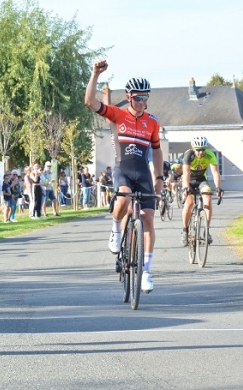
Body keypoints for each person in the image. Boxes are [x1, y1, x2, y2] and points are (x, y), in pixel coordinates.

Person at [84, 59, 163, 293]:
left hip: (144, 173)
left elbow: (157, 152)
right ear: (129, 97)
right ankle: (117, 228)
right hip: (123, 170)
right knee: (124, 197)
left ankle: (147, 271)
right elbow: (90, 101)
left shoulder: (152, 122)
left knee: (148, 219)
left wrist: (159, 179)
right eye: (138, 97)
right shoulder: (117, 115)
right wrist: (95, 75)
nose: (142, 102)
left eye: (145, 97)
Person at [180, 136, 223, 247]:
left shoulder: (210, 155)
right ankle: (185, 231)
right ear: (193, 148)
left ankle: (206, 231)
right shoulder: (188, 154)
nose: (201, 152)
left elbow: (215, 172)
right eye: (198, 149)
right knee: (189, 203)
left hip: (201, 181)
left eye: (203, 149)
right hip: (189, 180)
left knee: (207, 199)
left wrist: (218, 187)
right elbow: (185, 173)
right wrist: (185, 187)